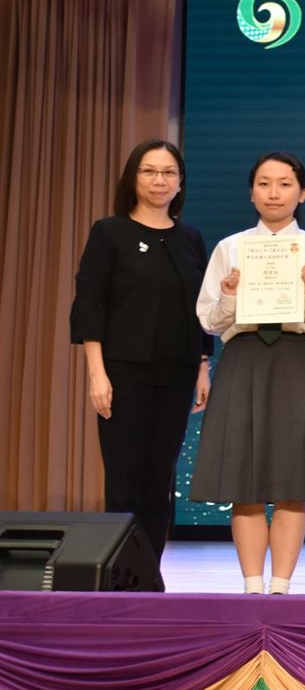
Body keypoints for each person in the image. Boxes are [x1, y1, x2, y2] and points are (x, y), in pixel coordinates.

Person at [191, 152, 305, 594]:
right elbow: (208, 321)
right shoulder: (230, 248)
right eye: (264, 183)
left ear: (302, 193)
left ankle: (280, 588)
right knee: (245, 478)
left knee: (293, 479)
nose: (274, 193)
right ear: (251, 192)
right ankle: (252, 587)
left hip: (296, 358)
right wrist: (230, 295)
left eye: (285, 184)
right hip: (243, 357)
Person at [69, 139, 213, 566]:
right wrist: (97, 373)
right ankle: (119, 576)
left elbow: (200, 308)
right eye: (149, 171)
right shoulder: (109, 232)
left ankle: (149, 574)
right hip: (122, 373)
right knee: (125, 480)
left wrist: (203, 365)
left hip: (177, 373)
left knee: (158, 481)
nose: (159, 180)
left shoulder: (191, 239)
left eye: (169, 173)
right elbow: (90, 303)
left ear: (180, 182)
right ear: (133, 178)